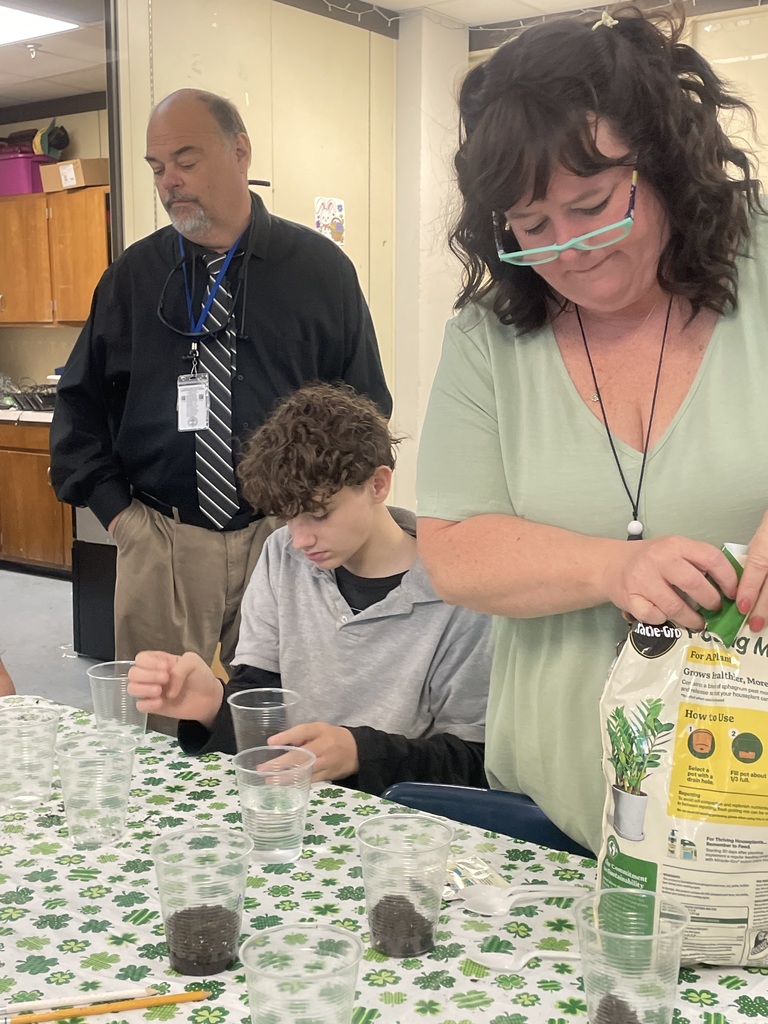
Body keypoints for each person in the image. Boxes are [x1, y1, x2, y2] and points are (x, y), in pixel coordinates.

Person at [415, 7, 768, 854]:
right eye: (532, 229)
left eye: (594, 205)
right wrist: (615, 566)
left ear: (663, 163)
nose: (571, 251)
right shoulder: (489, 336)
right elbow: (454, 547)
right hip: (562, 812)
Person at [50, 88, 391, 685]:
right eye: (157, 168)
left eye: (186, 160)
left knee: (279, 715)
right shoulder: (132, 277)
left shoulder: (319, 271)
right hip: (161, 534)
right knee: (156, 722)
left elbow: (363, 410)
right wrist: (119, 519)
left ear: (240, 152)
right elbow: (80, 405)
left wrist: (323, 520)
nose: (169, 182)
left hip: (282, 533)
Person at [127, 383, 491, 794]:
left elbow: (475, 764)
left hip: (400, 825)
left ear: (378, 484)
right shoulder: (282, 553)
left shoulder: (458, 590)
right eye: (287, 517)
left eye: (318, 515)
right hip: (292, 803)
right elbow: (260, 701)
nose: (300, 540)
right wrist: (212, 703)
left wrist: (359, 753)